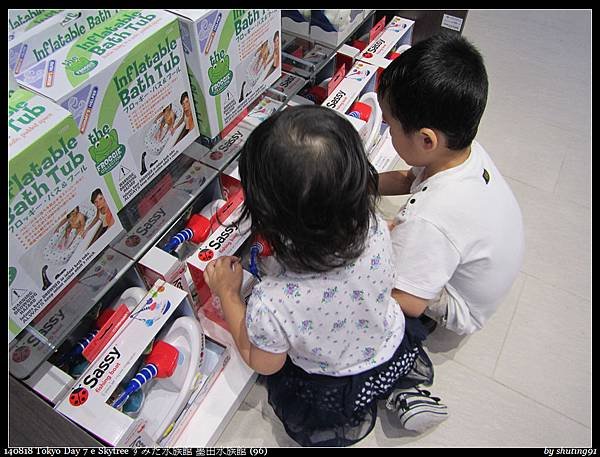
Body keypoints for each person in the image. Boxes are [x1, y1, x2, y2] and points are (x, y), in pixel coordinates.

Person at [203, 105, 448, 447]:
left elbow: (264, 362)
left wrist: (228, 294)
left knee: (322, 395)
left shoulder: (272, 301)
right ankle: (402, 393)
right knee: (382, 372)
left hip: (330, 382)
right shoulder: (376, 229)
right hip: (388, 344)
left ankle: (378, 400)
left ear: (268, 216)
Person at [376, 33, 524, 336]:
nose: (386, 130)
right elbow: (408, 178)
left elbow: (409, 301)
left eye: (389, 125)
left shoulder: (429, 218)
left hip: (461, 304)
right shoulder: (463, 152)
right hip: (487, 263)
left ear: (426, 139)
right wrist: (359, 182)